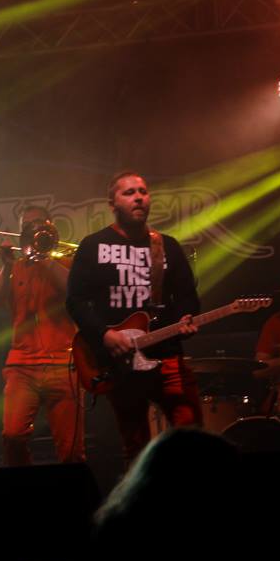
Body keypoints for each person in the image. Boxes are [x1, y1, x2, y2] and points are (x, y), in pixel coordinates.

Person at [65, 173, 200, 463]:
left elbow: (187, 296)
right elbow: (76, 301)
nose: (138, 197)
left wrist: (187, 316)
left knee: (190, 434)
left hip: (166, 355)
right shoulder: (93, 246)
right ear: (112, 203)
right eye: (129, 193)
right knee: (135, 444)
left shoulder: (167, 246)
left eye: (143, 191)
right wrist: (104, 335)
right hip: (121, 362)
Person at [0, 206, 84, 465]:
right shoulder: (15, 267)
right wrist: (6, 266)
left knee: (71, 451)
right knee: (12, 435)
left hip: (63, 364)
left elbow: (73, 290)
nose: (33, 229)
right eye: (26, 226)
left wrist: (45, 258)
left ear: (50, 226)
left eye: (38, 223)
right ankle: (25, 484)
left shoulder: (65, 262)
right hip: (22, 366)